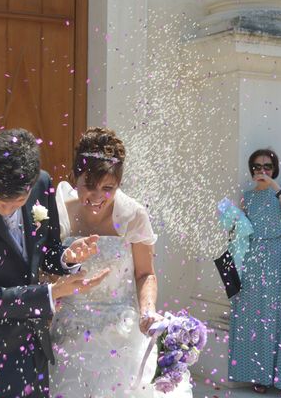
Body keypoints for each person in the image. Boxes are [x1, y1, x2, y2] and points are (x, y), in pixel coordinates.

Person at [0, 128, 108, 398]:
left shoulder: (42, 184)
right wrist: (52, 293)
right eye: (0, 203)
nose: (9, 210)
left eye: (19, 202)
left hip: (35, 339)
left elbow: (45, 250)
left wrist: (66, 257)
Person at [48, 127, 192, 397]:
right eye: (89, 186)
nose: (97, 197)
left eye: (108, 188)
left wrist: (147, 310)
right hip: (71, 330)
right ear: (74, 178)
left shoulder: (133, 215)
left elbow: (145, 273)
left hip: (121, 331)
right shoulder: (59, 213)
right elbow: (45, 270)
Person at [227, 149, 281, 393]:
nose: (262, 171)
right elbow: (238, 233)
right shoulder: (247, 197)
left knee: (280, 315)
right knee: (256, 316)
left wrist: (273, 184)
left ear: (274, 168)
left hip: (280, 255)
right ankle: (259, 375)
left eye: (267, 166)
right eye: (257, 167)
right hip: (254, 258)